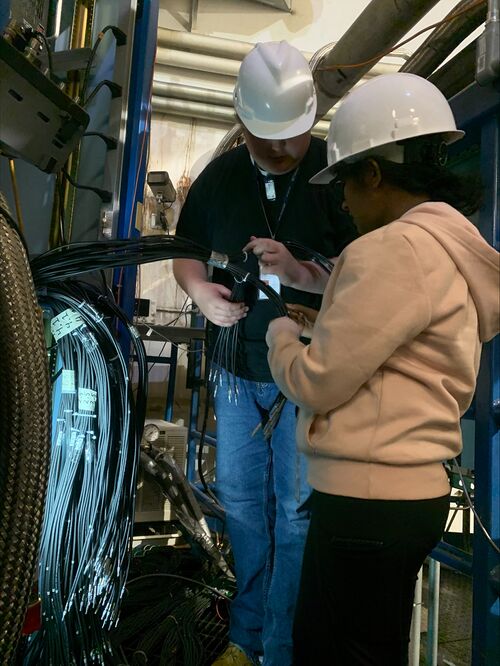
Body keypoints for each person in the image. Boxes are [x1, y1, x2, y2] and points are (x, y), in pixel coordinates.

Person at [263, 72, 500, 666]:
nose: (341, 201)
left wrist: (283, 337)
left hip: (365, 501)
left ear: (372, 173)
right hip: (409, 498)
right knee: (371, 646)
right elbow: (401, 354)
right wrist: (326, 329)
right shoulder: (449, 246)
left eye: (344, 181)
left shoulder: (393, 249)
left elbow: (318, 380)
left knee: (331, 651)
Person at [173, 41, 357, 666]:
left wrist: (305, 274)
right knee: (246, 507)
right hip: (235, 371)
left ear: (311, 121)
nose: (281, 150)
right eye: (265, 137)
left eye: (293, 137)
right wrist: (199, 291)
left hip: (305, 375)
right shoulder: (221, 178)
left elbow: (367, 273)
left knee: (297, 512)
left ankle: (283, 646)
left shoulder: (340, 177)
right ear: (243, 121)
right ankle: (247, 638)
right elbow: (186, 249)